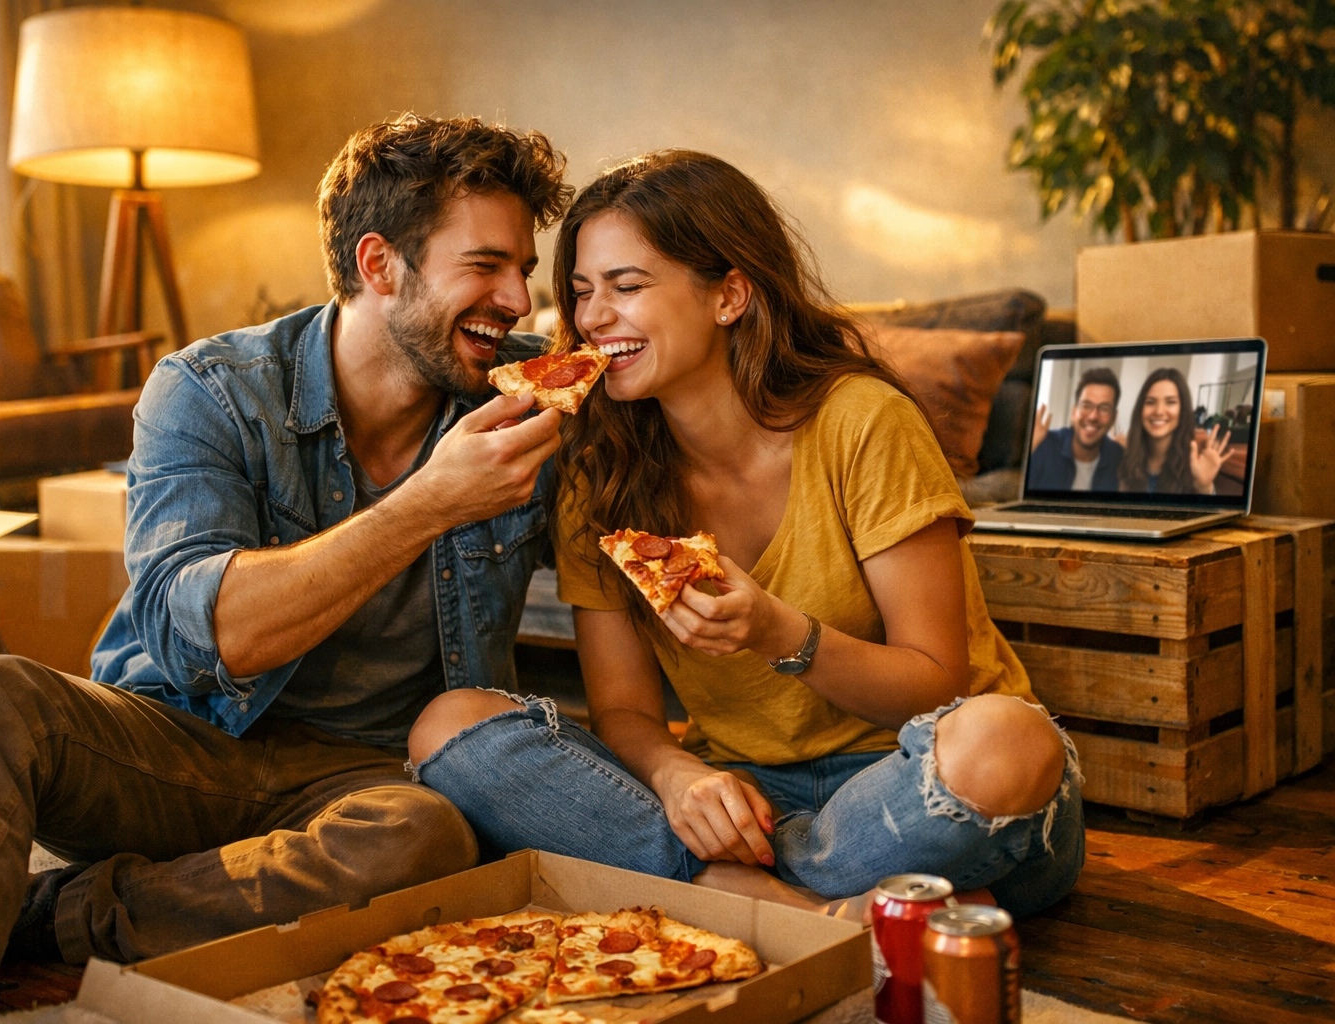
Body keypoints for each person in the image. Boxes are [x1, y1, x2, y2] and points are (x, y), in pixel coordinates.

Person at [0, 114, 571, 1024]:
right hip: (177, 743)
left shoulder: (539, 398)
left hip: (366, 779)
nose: (517, 298)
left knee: (428, 836)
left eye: (524, 268)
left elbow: (658, 501)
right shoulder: (210, 389)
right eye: (485, 265)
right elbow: (207, 637)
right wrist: (429, 502)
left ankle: (61, 913)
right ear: (379, 264)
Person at [405, 151, 1084, 919]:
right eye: (582, 292)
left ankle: (736, 893)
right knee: (450, 726)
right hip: (744, 801)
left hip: (913, 785)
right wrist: (677, 778)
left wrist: (778, 633)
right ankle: (836, 907)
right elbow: (625, 711)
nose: (591, 318)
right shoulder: (599, 469)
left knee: (1009, 742)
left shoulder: (862, 422)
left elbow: (937, 686)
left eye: (627, 286)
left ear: (729, 294)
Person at [1116, 367, 1230, 494]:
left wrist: (1204, 487)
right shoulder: (1122, 460)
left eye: (1170, 402)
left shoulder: (1194, 466)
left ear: (1182, 411)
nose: (1159, 411)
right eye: (1150, 402)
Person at [1026, 367, 1124, 491]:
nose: (1093, 416)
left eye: (1104, 408)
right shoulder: (1042, 445)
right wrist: (1031, 446)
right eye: (1086, 406)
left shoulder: (1120, 457)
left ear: (1114, 417)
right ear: (1073, 412)